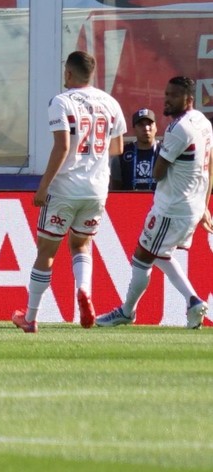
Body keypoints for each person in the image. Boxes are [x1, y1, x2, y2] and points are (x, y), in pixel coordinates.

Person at [12, 50, 127, 333]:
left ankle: (31, 317)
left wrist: (43, 186)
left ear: (69, 73)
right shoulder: (111, 103)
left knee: (46, 252)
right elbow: (118, 149)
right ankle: (85, 291)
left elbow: (62, 147)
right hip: (97, 189)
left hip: (65, 188)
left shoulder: (61, 102)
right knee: (81, 245)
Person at [98, 77, 213, 329]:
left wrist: (164, 161)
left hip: (172, 207)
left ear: (189, 99)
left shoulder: (178, 129)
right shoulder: (204, 123)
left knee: (141, 257)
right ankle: (193, 301)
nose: (167, 99)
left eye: (173, 95)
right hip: (191, 204)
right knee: (161, 254)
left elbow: (158, 173)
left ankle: (127, 312)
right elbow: (210, 165)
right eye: (166, 93)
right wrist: (204, 204)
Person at [114, 107, 163, 191]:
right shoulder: (123, 153)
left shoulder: (165, 152)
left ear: (156, 127)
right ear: (134, 129)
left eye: (150, 124)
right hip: (130, 202)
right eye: (141, 125)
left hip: (159, 202)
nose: (146, 128)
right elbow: (115, 187)